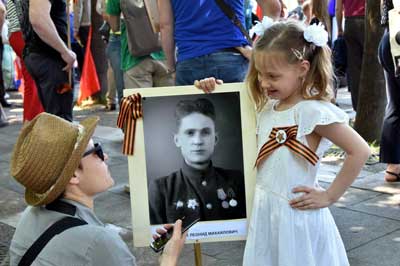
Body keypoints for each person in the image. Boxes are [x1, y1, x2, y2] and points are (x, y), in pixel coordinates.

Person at [196, 20, 370, 265]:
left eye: (273, 76)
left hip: (297, 217)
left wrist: (330, 196)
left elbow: (359, 150)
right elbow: (229, 109)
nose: (264, 83)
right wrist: (211, 88)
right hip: (266, 214)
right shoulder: (265, 107)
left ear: (302, 68)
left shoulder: (311, 111)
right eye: (260, 75)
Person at [8, 112, 186, 266]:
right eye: (97, 151)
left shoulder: (30, 216)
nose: (106, 156)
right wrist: (169, 258)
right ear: (73, 176)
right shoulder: (99, 241)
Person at [149, 98, 246, 225]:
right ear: (177, 140)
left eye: (205, 132)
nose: (198, 141)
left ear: (215, 139)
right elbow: (158, 239)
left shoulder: (236, 180)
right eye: (190, 133)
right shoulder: (162, 189)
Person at [157, 0, 282, 86]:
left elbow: (165, 26)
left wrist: (172, 68)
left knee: (192, 122)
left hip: (188, 62)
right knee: (241, 122)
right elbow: (273, 7)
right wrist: (258, 47)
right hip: (232, 59)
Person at [20, 0, 76, 121]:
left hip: (40, 55)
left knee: (56, 119)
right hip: (49, 57)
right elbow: (38, 19)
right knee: (61, 122)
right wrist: (64, 51)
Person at [106, 0, 173, 90]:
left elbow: (114, 26)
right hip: (165, 55)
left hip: (134, 58)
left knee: (139, 103)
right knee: (168, 102)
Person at [6, 0, 44, 121]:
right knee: (35, 80)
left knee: (31, 80)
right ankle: (33, 122)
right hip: (23, 34)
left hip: (17, 34)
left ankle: (30, 121)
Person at [378, 0, 400, 182]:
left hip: (390, 38)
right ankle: (393, 166)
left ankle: (393, 166)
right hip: (396, 41)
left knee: (394, 104)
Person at [336, 0, 365, 111]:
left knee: (354, 68)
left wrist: (339, 28)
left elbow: (338, 8)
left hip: (350, 22)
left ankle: (358, 107)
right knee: (371, 66)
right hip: (367, 20)